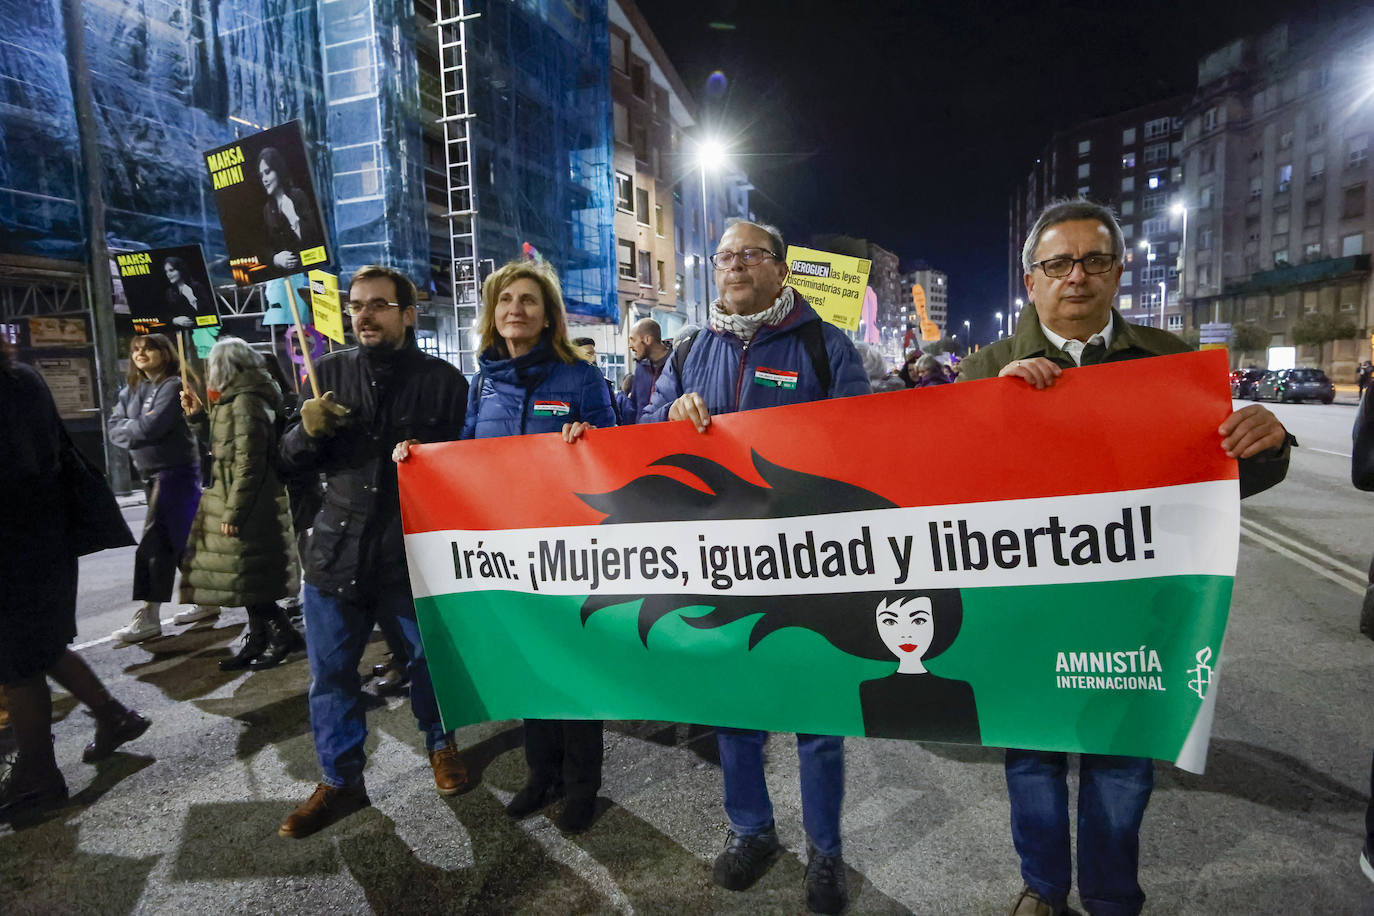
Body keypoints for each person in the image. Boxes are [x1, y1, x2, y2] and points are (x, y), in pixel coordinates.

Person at [958, 198, 1293, 916]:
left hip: (1134, 610)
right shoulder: (984, 368)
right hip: (1027, 610)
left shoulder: (1172, 365)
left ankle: (1113, 899)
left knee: (1121, 763)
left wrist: (1269, 440)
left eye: (1094, 261)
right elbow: (945, 485)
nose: (1076, 276)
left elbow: (1225, 476)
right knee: (1033, 758)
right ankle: (1043, 889)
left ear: (1118, 272)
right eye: (1058, 263)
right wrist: (995, 409)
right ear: (1031, 281)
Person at [641, 218, 870, 916]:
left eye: (749, 255)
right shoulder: (687, 351)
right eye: (724, 256)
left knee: (817, 720)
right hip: (721, 567)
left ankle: (826, 853)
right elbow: (646, 438)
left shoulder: (825, 346)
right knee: (735, 713)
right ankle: (752, 831)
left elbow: (863, 442)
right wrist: (670, 414)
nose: (734, 266)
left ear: (780, 268)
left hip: (806, 565)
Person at [403, 259, 616, 833]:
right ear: (493, 317)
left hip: (570, 552)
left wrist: (588, 439)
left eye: (527, 300)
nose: (514, 310)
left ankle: (581, 787)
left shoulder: (580, 377)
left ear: (548, 316)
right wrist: (423, 460)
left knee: (575, 671)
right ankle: (539, 775)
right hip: (508, 553)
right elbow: (469, 456)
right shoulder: (485, 381)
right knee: (529, 667)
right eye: (504, 301)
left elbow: (618, 451)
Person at [276, 265, 469, 839]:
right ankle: (340, 781)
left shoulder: (444, 381)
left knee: (427, 664)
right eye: (357, 305)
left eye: (379, 305)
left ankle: (441, 745)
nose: (364, 315)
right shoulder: (323, 375)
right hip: (335, 555)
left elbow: (468, 468)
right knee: (331, 675)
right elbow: (285, 464)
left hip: (411, 555)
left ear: (407, 315)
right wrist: (304, 430)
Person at [0, 345, 150, 815]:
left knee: (20, 662)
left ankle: (39, 773)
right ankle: (114, 716)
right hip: (44, 536)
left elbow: (17, 467)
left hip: (15, 544)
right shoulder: (24, 377)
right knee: (41, 648)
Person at [178, 338, 303, 671]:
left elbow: (250, 462)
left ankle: (281, 636)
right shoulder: (233, 400)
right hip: (239, 497)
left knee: (249, 579)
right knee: (245, 580)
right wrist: (197, 418)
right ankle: (260, 639)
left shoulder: (247, 401)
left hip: (250, 502)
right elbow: (224, 447)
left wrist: (235, 512)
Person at [107, 333, 202, 643]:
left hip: (174, 473)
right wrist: (135, 428)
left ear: (165, 352)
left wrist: (131, 428)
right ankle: (205, 597)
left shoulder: (174, 385)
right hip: (151, 473)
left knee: (156, 542)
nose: (140, 353)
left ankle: (149, 615)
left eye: (148, 348)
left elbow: (152, 426)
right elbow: (113, 427)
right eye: (136, 349)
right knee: (181, 541)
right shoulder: (132, 389)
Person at [258, 146, 323, 272]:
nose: (264, 179)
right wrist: (276, 259)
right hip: (285, 277)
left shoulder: (298, 196)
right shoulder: (267, 209)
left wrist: (293, 217)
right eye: (261, 175)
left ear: (278, 170)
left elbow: (313, 241)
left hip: (309, 272)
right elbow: (264, 247)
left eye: (268, 172)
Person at [620, 317, 671, 424]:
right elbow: (634, 406)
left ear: (647, 339)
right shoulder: (640, 368)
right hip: (642, 435)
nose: (630, 346)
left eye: (633, 339)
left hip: (669, 435)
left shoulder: (676, 363)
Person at [573, 335, 621, 425]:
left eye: (594, 353)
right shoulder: (566, 388)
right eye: (589, 354)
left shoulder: (605, 384)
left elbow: (616, 416)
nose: (594, 358)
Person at [162, 256, 212, 323]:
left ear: (180, 270)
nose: (168, 274)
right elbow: (166, 314)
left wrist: (191, 298)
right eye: (166, 271)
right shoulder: (169, 292)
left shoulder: (197, 286)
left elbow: (207, 312)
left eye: (171, 270)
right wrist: (175, 320)